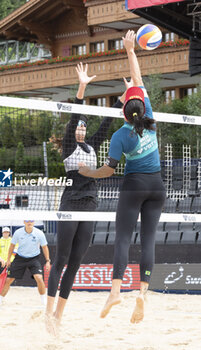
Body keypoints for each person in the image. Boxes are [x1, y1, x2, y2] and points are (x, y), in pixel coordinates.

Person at [79, 30, 166, 324]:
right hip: (157, 186)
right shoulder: (151, 117)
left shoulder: (120, 135)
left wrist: (88, 172)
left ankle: (116, 290)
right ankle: (142, 293)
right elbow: (139, 83)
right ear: (141, 107)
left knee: (123, 240)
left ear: (124, 113)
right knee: (150, 240)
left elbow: (108, 170)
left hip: (133, 187)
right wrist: (131, 52)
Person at [45, 62, 128, 336]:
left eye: (83, 126)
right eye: (78, 126)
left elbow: (106, 122)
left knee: (76, 262)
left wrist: (123, 98)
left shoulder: (92, 145)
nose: (80, 128)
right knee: (61, 260)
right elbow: (75, 115)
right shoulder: (69, 145)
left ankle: (59, 315)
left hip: (91, 206)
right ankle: (47, 311)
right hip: (70, 205)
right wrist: (82, 86)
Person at [0, 220, 50, 306]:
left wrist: (48, 261)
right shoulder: (18, 232)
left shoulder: (39, 233)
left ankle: (44, 301)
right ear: (24, 222)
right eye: (27, 220)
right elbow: (12, 246)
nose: (29, 222)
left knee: (39, 278)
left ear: (34, 222)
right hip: (20, 258)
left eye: (31, 220)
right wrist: (8, 259)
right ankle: (1, 299)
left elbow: (44, 247)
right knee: (8, 280)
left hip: (34, 258)